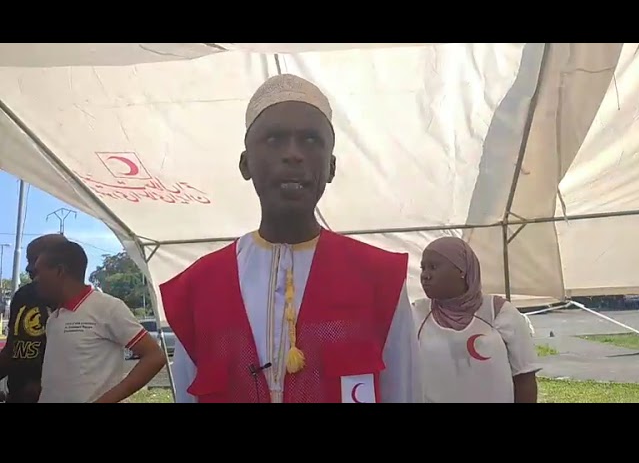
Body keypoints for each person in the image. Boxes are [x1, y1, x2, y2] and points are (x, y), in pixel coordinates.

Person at [162, 73, 420, 403]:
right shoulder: (194, 289)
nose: (293, 155)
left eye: (311, 140)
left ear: (331, 167)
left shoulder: (381, 280)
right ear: (245, 164)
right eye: (274, 139)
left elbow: (404, 391)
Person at [34, 241, 166, 403]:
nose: (36, 279)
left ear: (60, 271)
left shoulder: (108, 308)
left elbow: (154, 356)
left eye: (39, 272)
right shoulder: (54, 318)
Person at [414, 236, 540, 403]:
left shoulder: (498, 312)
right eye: (423, 268)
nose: (425, 276)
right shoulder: (417, 313)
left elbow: (525, 378)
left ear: (461, 270)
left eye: (433, 267)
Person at [0, 234, 67, 403]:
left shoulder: (74, 301)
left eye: (35, 262)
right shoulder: (22, 296)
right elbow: (11, 349)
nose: (29, 269)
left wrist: (43, 385)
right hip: (17, 395)